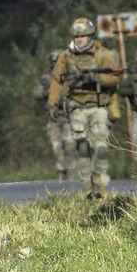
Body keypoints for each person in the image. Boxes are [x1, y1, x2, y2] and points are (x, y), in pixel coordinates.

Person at [47, 17, 120, 198]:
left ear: (90, 36)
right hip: (77, 106)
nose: (79, 39)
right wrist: (53, 104)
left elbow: (114, 79)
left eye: (83, 36)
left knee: (100, 147)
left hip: (98, 106)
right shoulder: (66, 57)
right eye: (76, 36)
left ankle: (102, 186)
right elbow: (57, 80)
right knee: (82, 147)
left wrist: (95, 79)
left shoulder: (103, 55)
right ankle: (87, 186)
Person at [33, 49, 75, 180]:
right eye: (54, 63)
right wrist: (47, 90)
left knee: (70, 144)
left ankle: (71, 173)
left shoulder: (71, 78)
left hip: (69, 116)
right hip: (54, 117)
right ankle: (60, 171)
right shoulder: (46, 79)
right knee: (56, 145)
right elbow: (36, 94)